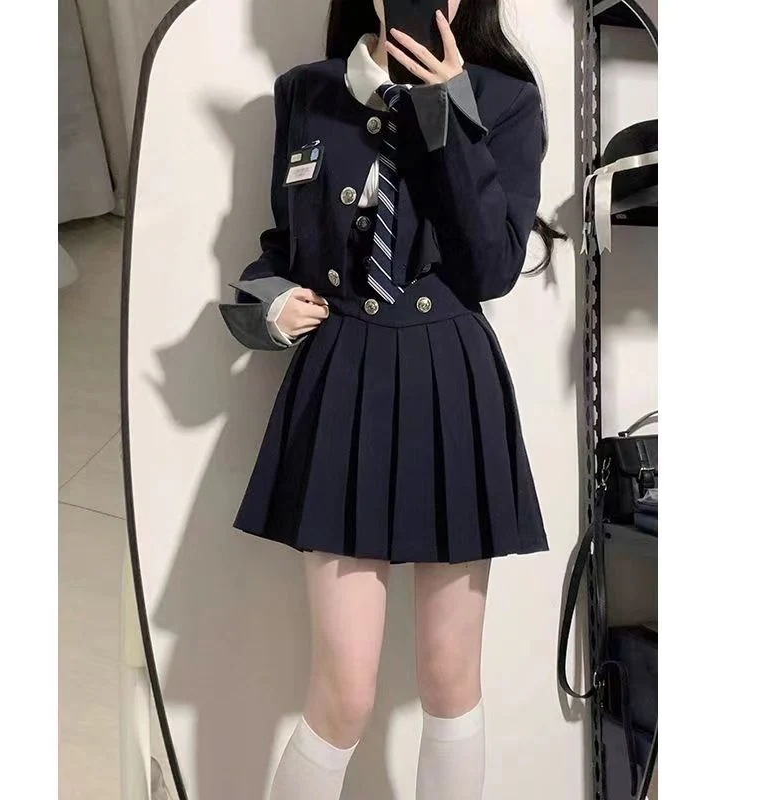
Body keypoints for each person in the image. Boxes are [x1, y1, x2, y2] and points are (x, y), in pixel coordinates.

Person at [219, 1, 561, 797]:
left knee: (450, 679)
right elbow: (280, 249)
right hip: (341, 377)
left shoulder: (505, 99)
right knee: (344, 693)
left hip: (451, 379)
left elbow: (492, 266)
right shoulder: (306, 91)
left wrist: (446, 109)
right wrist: (270, 303)